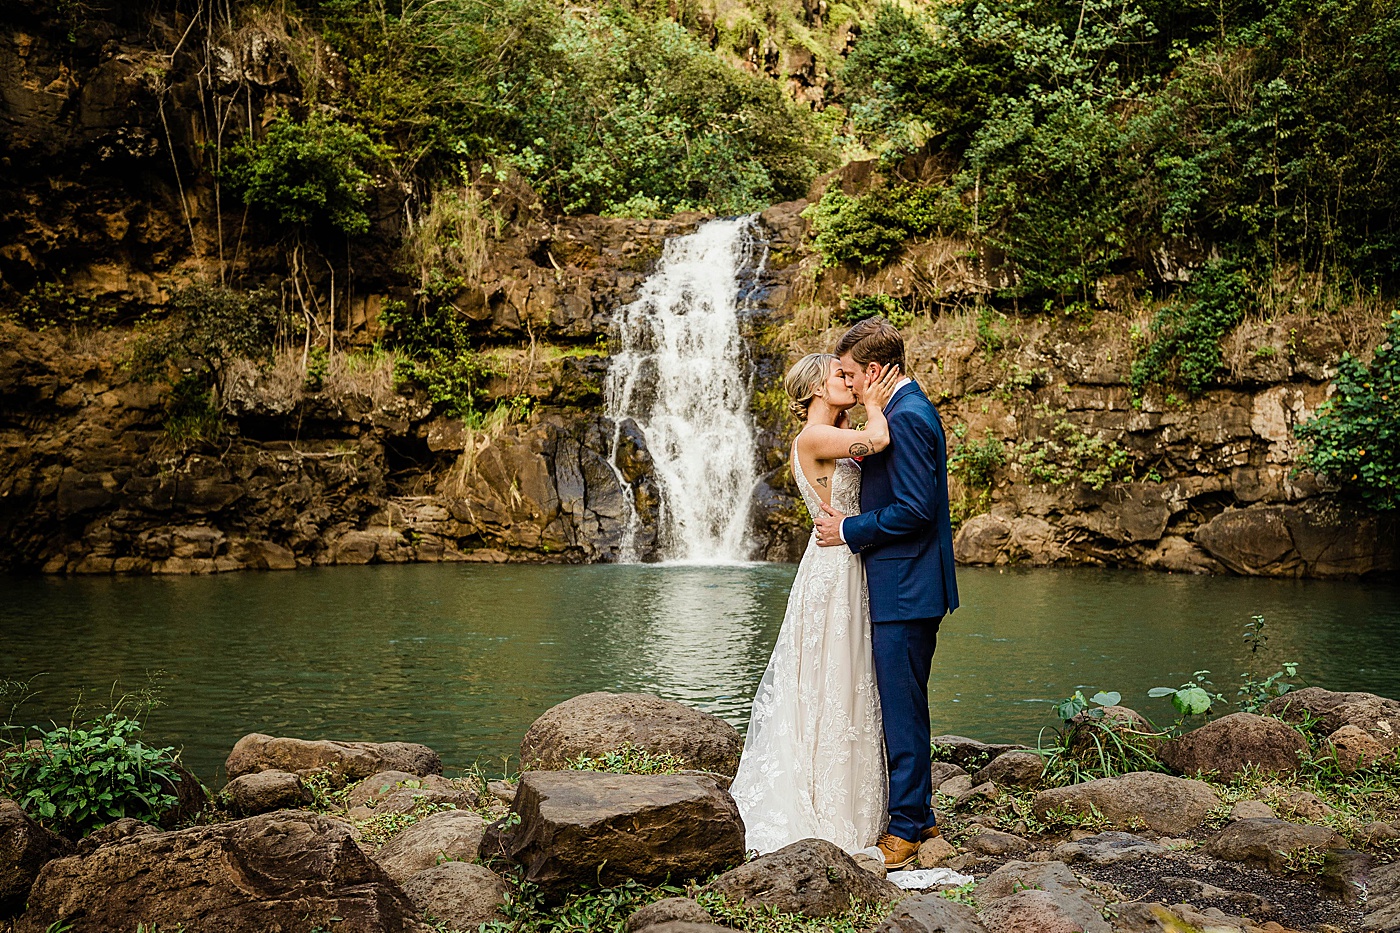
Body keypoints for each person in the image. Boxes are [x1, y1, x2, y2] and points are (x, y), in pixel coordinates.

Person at [728, 352, 903, 854]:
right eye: (840, 376)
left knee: (840, 678)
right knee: (834, 677)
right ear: (815, 389)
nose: (850, 380)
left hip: (838, 558)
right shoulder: (813, 436)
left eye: (851, 375)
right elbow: (880, 439)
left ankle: (850, 802)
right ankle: (828, 811)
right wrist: (874, 399)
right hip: (835, 565)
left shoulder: (827, 435)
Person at [815, 316, 959, 869]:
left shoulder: (911, 417)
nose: (845, 381)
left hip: (906, 585)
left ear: (873, 371)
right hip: (898, 581)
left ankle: (905, 829)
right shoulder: (894, 412)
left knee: (902, 707)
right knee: (900, 702)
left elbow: (917, 511)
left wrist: (849, 531)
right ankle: (916, 813)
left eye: (849, 373)